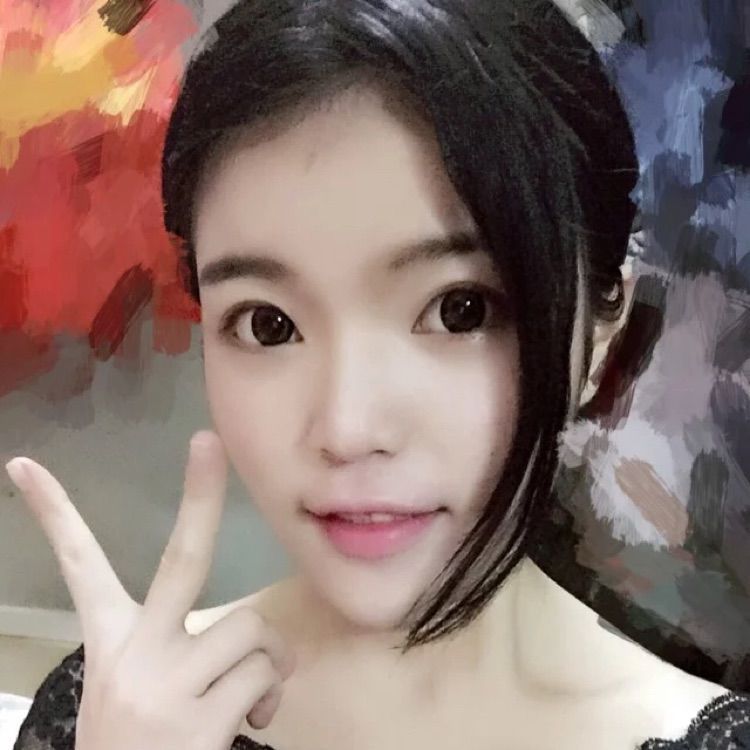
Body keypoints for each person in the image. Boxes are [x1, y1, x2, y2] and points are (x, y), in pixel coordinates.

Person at [6, 1, 750, 749]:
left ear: (599, 333)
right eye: (268, 324)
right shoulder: (111, 715)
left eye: (459, 310)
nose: (348, 430)